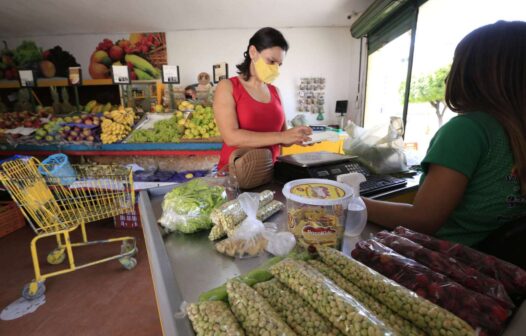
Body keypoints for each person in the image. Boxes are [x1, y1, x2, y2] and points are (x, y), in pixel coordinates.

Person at [364, 21, 526, 246]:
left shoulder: (468, 130)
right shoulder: (514, 132)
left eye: (455, 66)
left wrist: (351, 201)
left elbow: (422, 220)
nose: (446, 78)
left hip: (445, 263)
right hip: (497, 268)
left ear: (473, 74)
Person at [214, 27, 312, 171]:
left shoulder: (275, 92)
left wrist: (296, 136)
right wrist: (281, 137)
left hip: (270, 172)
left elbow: (283, 137)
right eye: (271, 61)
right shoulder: (227, 86)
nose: (276, 69)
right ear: (253, 52)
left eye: (279, 64)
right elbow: (231, 137)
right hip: (236, 175)